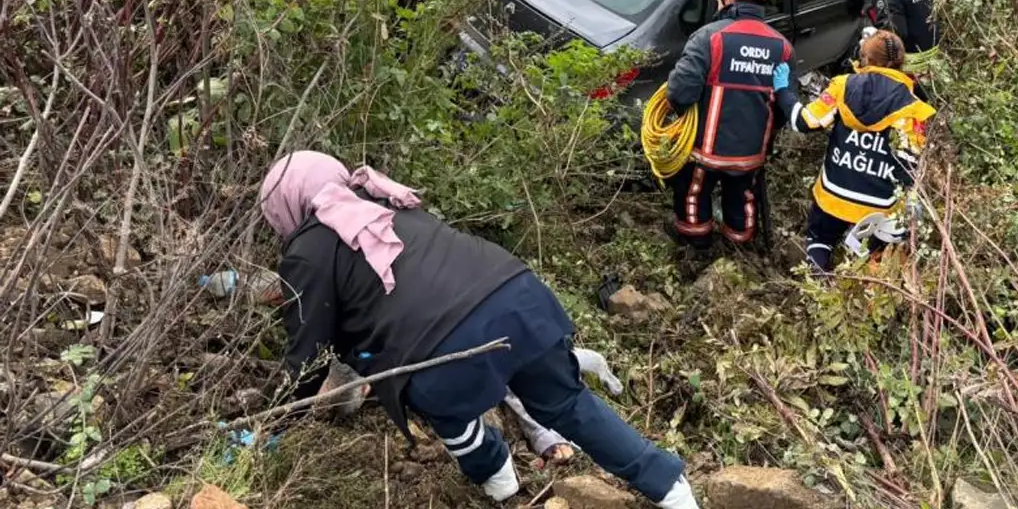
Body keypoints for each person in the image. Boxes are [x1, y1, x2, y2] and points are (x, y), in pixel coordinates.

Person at [258, 151, 698, 508]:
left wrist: (278, 420)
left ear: (287, 204)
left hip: (447, 344)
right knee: (567, 403)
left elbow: (308, 354)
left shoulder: (307, 250)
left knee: (442, 404)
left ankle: (497, 476)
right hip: (521, 299)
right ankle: (671, 488)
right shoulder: (386, 199)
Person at [772, 31, 935, 276]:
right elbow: (910, 166)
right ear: (902, 64)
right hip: (880, 208)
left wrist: (783, 90)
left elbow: (803, 122)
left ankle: (817, 275)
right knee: (881, 248)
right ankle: (867, 276)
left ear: (864, 58)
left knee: (820, 235)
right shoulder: (915, 108)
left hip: (834, 194)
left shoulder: (841, 86)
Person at [665, 0, 794, 250]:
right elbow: (785, 106)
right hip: (751, 157)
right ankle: (738, 247)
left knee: (693, 196)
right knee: (743, 198)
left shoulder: (709, 37)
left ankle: (696, 248)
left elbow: (680, 92)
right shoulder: (782, 47)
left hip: (705, 153)